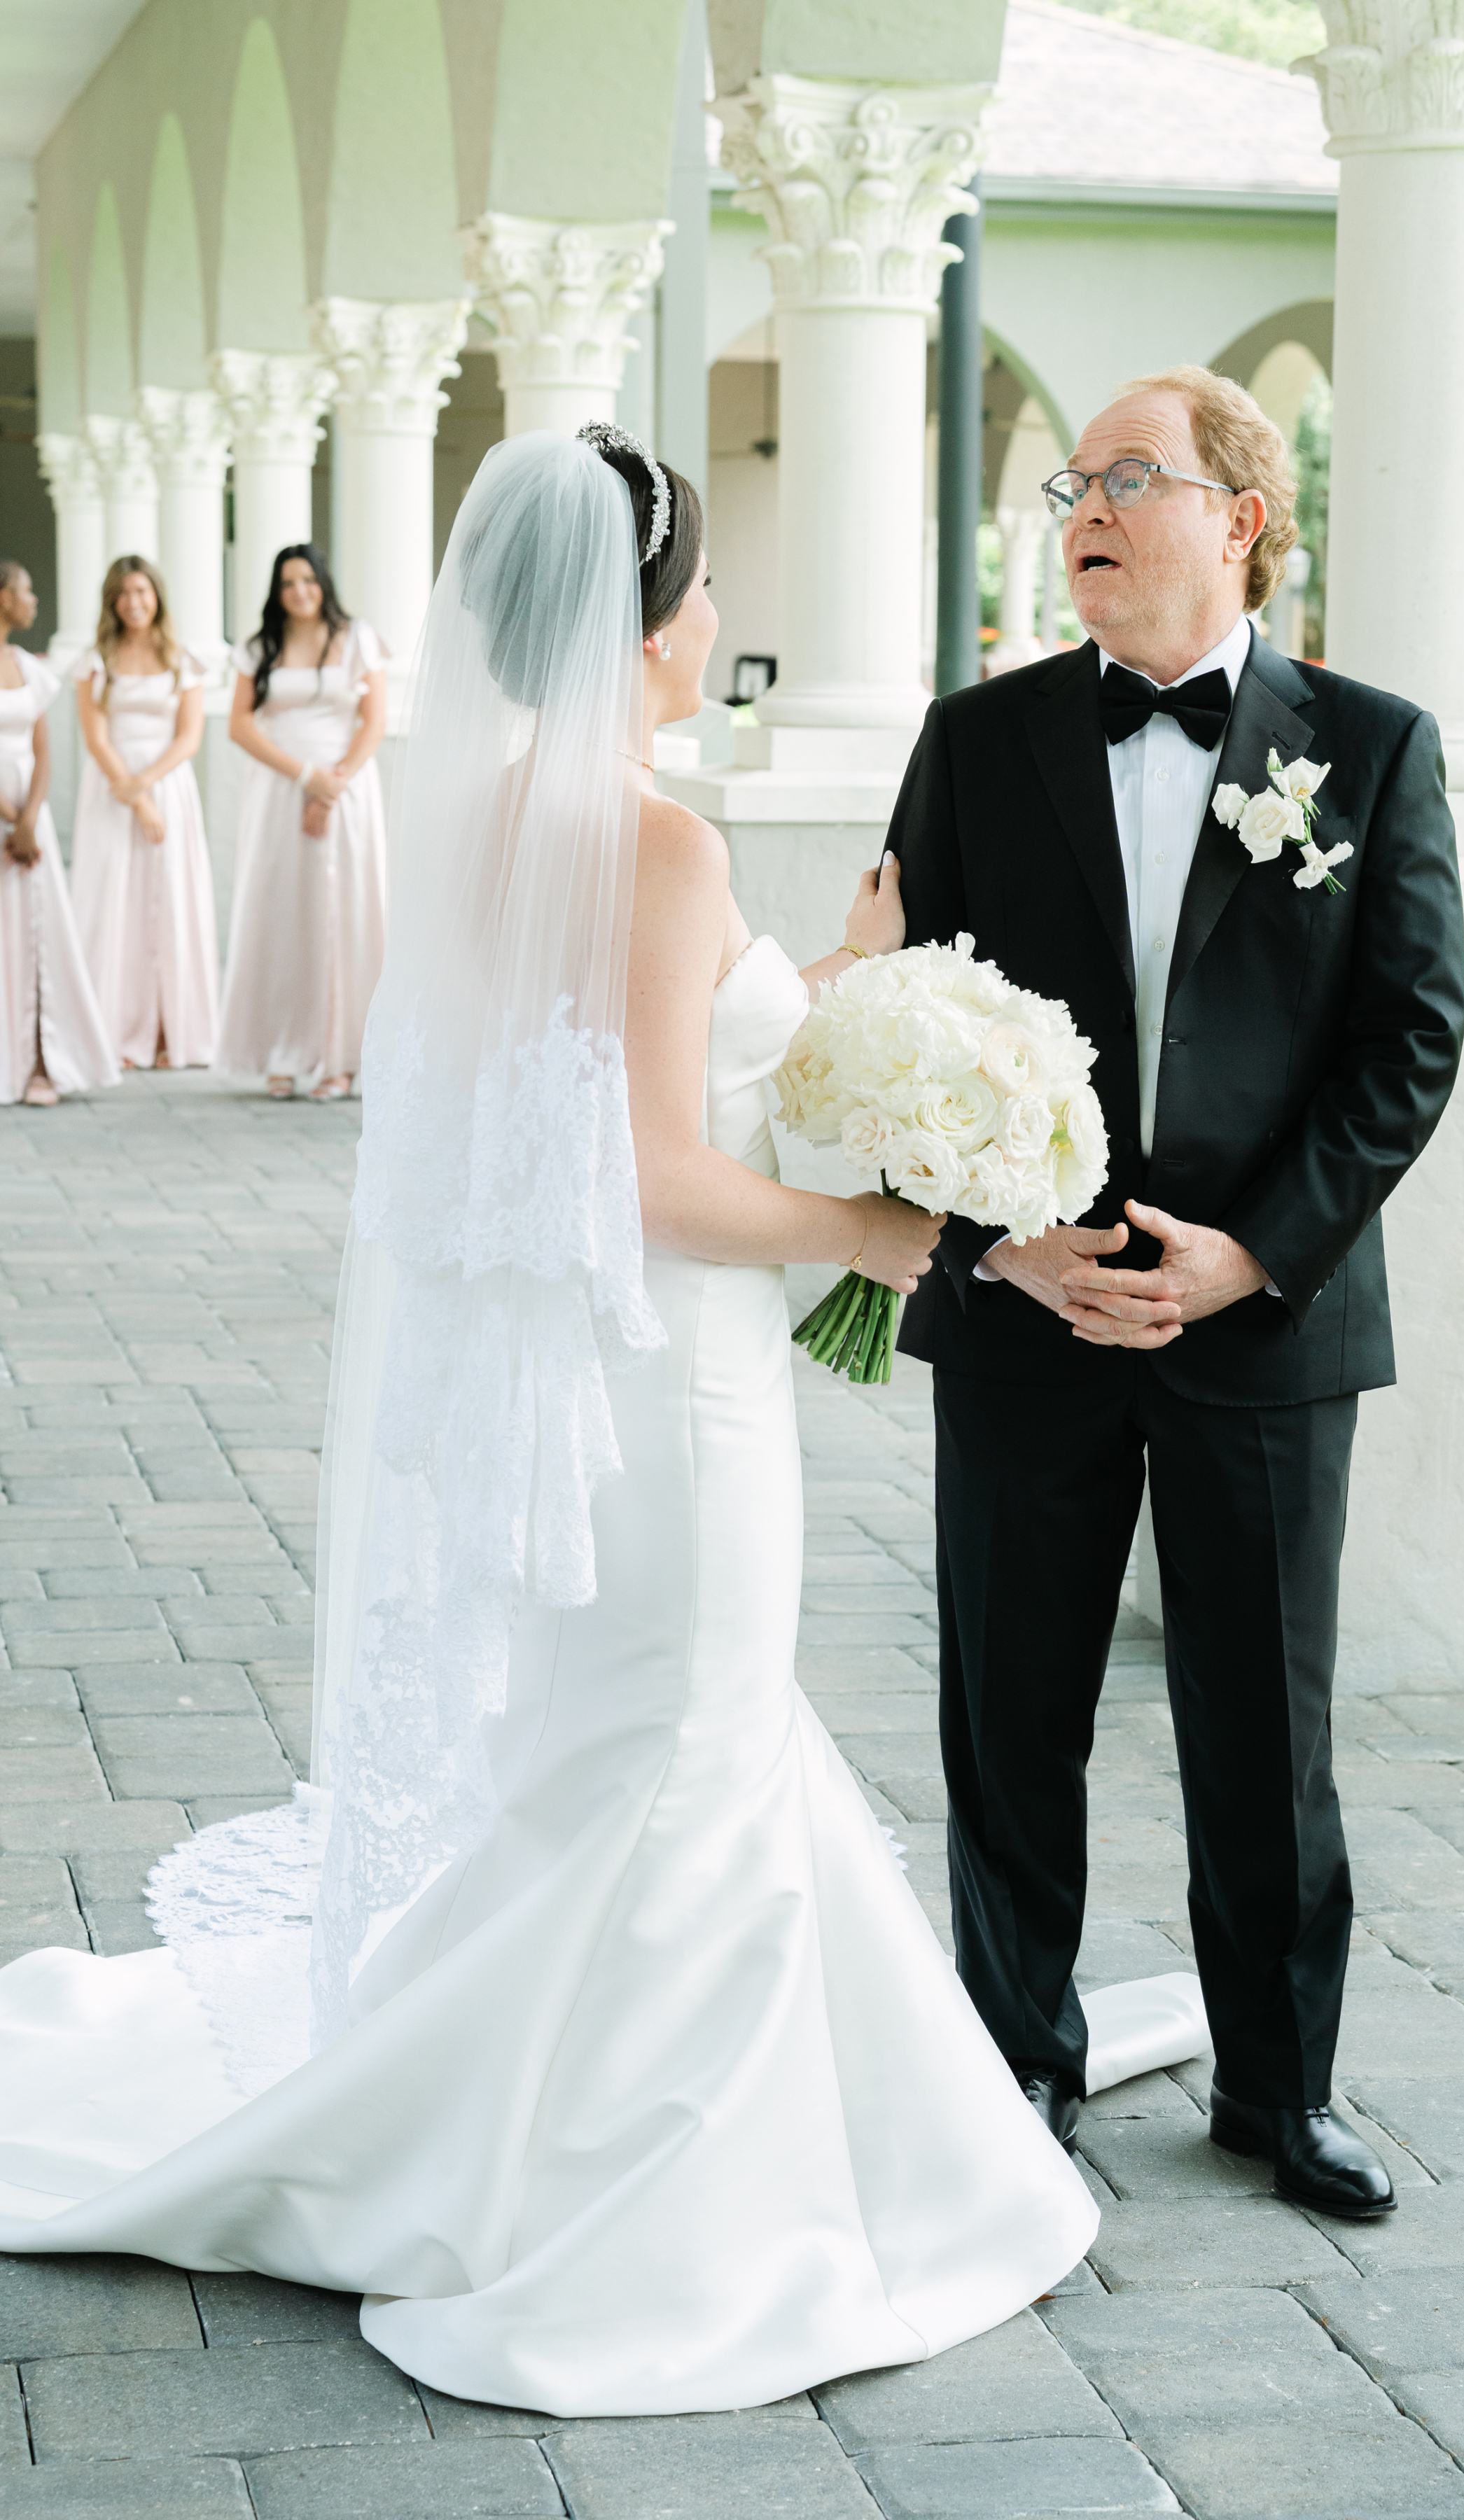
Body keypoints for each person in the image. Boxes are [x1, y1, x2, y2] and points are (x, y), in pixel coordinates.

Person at [0, 428, 1150, 2417]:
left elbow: (614, 1086)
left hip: (595, 1391)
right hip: (676, 1389)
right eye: (704, 595)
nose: (717, 624)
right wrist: (879, 1231)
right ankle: (649, 2199)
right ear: (650, 620)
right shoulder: (659, 844)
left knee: (641, 1748)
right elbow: (645, 1177)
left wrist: (848, 984)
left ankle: (536, 2111)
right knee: (684, 1749)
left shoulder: (491, 821)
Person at [889, 365, 1464, 2217]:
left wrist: (1252, 1253)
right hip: (1030, 1316)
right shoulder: (975, 739)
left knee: (1267, 1734)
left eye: (1132, 477)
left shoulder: (1371, 746)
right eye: (1075, 480)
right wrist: (1000, 1242)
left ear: (1244, 517)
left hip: (1266, 1322)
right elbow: (901, 1018)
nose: (1088, 508)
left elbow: (1410, 1039)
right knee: (1010, 1717)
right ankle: (1017, 2066)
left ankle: (1282, 2094)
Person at [218, 545, 387, 1100]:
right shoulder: (258, 648)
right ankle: (283, 1052)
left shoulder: (357, 639)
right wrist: (305, 777)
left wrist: (331, 784)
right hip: (278, 790)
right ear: (277, 591)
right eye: (288, 583)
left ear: (323, 583)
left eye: (308, 580)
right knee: (281, 915)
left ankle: (341, 1059)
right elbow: (240, 726)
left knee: (343, 915)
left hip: (346, 790)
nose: (299, 591)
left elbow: (374, 721)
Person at [70, 555, 218, 1070]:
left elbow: (190, 737)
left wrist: (149, 786)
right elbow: (96, 737)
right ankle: (113, 1034)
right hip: (112, 791)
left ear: (157, 597)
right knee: (113, 905)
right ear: (112, 602)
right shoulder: (96, 661)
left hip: (168, 788)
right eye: (124, 594)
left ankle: (169, 1032)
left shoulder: (182, 659)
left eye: (142, 592)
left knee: (170, 901)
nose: (133, 602)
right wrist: (134, 797)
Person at [0, 560, 118, 1107]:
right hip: (8, 817)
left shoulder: (28, 666)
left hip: (30, 818)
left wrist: (29, 820)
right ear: (3, 598)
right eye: (26, 590)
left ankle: (42, 1061)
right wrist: (9, 817)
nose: (34, 600)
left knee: (40, 934)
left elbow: (42, 750)